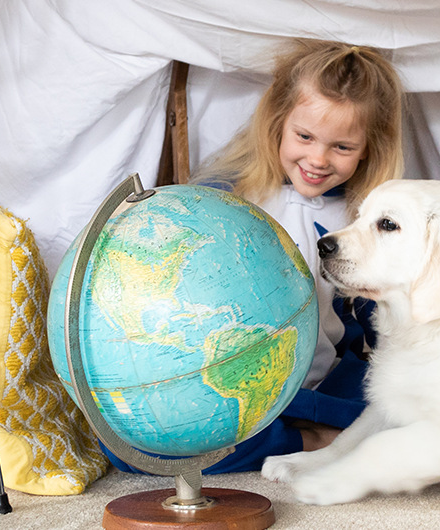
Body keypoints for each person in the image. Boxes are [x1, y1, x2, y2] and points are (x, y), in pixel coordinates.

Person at [104, 39, 405, 474]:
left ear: (369, 149)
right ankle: (308, 441)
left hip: (326, 386)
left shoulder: (367, 219)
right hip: (235, 388)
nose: (317, 158)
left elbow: (377, 327)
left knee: (405, 418)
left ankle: (322, 432)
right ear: (277, 123)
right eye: (304, 136)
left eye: (342, 147)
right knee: (132, 448)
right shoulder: (227, 199)